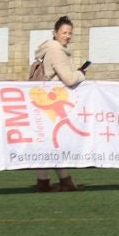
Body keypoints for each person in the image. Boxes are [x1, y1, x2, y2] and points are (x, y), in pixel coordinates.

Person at [32, 16, 87, 193]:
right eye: (64, 33)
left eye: (70, 33)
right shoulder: (57, 52)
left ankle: (51, 180)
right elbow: (69, 79)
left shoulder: (51, 49)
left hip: (46, 100)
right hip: (54, 102)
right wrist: (81, 74)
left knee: (50, 143)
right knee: (55, 142)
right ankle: (58, 181)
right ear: (55, 33)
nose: (67, 36)